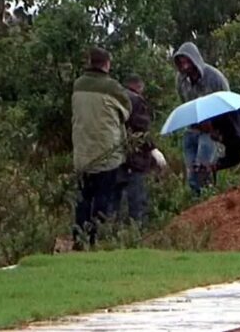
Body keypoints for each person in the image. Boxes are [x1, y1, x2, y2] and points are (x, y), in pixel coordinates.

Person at [71, 47, 131, 249]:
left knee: (83, 200)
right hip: (106, 154)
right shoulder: (112, 87)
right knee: (103, 200)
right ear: (107, 64)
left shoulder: (78, 85)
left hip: (81, 155)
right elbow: (127, 111)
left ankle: (79, 241)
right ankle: (97, 241)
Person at [173, 42, 229, 195]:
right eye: (181, 62)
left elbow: (227, 103)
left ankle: (209, 199)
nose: (185, 66)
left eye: (187, 61)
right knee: (192, 173)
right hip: (192, 129)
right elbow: (183, 102)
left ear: (195, 59)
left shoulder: (215, 77)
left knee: (203, 171)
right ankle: (196, 202)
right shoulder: (180, 80)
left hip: (211, 131)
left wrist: (214, 124)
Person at [113, 74, 166, 225]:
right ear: (139, 87)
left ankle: (111, 234)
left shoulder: (114, 99)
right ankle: (137, 232)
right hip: (135, 159)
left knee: (114, 201)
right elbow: (142, 130)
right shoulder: (136, 101)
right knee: (137, 201)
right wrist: (154, 150)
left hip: (113, 156)